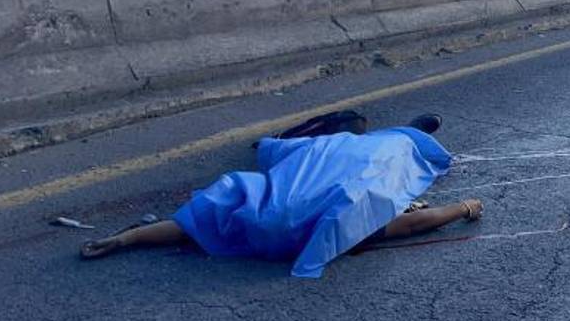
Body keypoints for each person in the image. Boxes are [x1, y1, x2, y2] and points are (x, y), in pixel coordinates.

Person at [78, 112, 483, 278]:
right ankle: (411, 132)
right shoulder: (348, 212)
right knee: (363, 144)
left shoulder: (327, 179)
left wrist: (127, 236)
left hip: (274, 199)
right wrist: (463, 207)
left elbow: (190, 223)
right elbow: (411, 223)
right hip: (303, 219)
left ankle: (125, 238)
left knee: (344, 131)